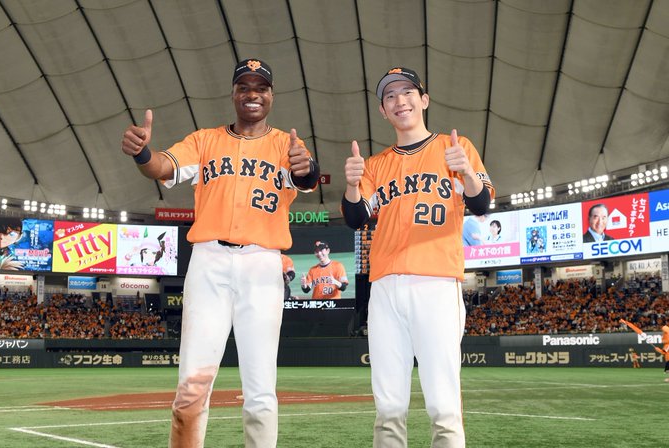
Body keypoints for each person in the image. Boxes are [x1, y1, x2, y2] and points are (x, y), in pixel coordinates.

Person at [121, 58, 319, 448]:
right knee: (191, 385)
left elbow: (306, 177)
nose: (252, 94)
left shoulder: (287, 145)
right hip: (209, 261)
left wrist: (306, 167)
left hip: (262, 264)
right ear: (233, 94)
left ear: (271, 96)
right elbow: (162, 167)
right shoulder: (204, 140)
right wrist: (143, 153)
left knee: (260, 390)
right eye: (244, 87)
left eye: (260, 87)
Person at [342, 67, 494, 447]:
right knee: (389, 406)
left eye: (407, 92)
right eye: (390, 96)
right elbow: (356, 217)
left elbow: (481, 204)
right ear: (383, 111)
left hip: (436, 283)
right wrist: (351, 186)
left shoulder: (455, 148)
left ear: (423, 100)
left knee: (443, 406)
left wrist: (467, 172)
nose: (400, 100)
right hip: (385, 287)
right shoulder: (375, 165)